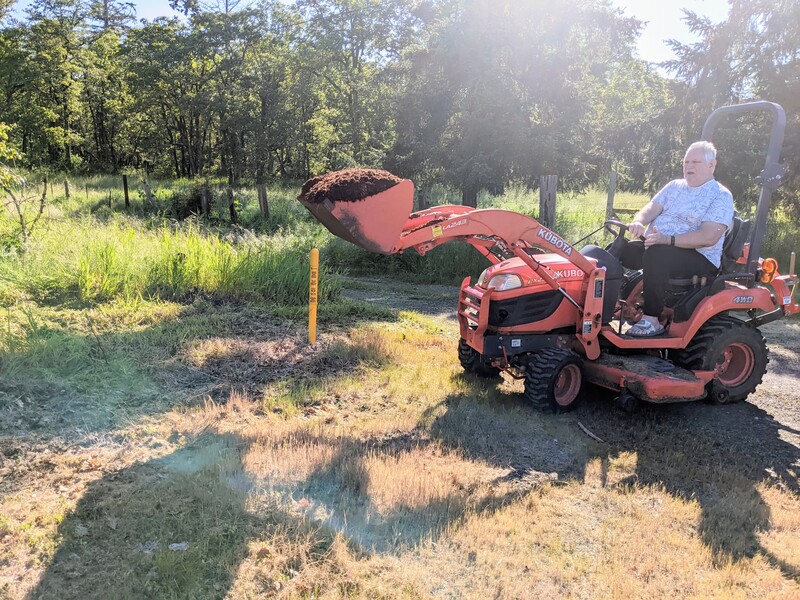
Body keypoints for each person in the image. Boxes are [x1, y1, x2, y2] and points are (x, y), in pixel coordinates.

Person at [624, 141, 734, 337]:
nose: (689, 166)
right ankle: (604, 307)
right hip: (659, 244)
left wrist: (666, 239)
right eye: (686, 162)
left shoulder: (720, 195)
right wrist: (638, 222)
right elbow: (652, 208)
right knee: (622, 249)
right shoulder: (674, 186)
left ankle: (651, 319)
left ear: (712, 165)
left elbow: (708, 237)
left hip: (699, 257)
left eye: (696, 162)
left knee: (657, 254)